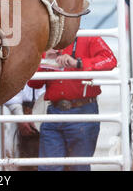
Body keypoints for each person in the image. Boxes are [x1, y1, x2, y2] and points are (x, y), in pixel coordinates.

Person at [30, 36, 117, 171]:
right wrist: (44, 61)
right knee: (49, 167)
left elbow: (110, 60)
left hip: (81, 111)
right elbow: (34, 83)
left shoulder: (89, 38)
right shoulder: (48, 42)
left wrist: (78, 63)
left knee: (79, 166)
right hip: (56, 112)